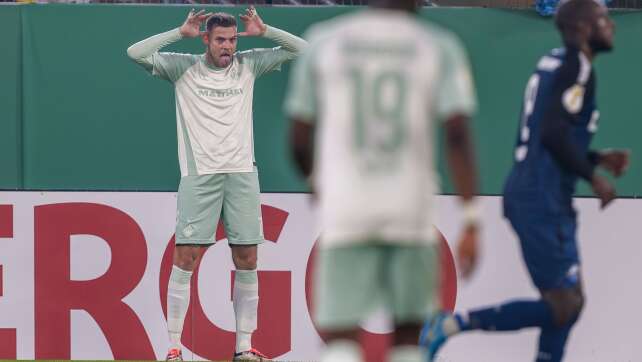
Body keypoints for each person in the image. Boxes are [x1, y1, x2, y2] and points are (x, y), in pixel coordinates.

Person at [422, 1, 629, 361]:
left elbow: (548, 134)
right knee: (564, 304)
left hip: (542, 192)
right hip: (540, 197)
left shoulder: (557, 64)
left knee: (568, 303)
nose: (610, 24)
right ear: (581, 29)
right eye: (601, 19)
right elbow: (552, 133)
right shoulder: (575, 68)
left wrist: (597, 157)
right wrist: (592, 176)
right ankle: (453, 325)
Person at [285, 0, 480, 361]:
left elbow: (298, 139)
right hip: (410, 208)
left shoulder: (326, 41)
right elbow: (457, 136)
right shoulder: (438, 45)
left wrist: (316, 180)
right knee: (408, 337)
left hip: (347, 206)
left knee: (340, 337)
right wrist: (470, 216)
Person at [126, 7, 306, 362]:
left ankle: (243, 348)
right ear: (206, 39)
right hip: (200, 176)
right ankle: (174, 348)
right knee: (186, 257)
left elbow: (303, 49)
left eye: (233, 39)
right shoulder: (183, 67)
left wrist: (265, 29)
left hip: (242, 175)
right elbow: (136, 53)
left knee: (248, 258)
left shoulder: (248, 64)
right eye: (221, 40)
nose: (228, 46)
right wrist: (180, 32)